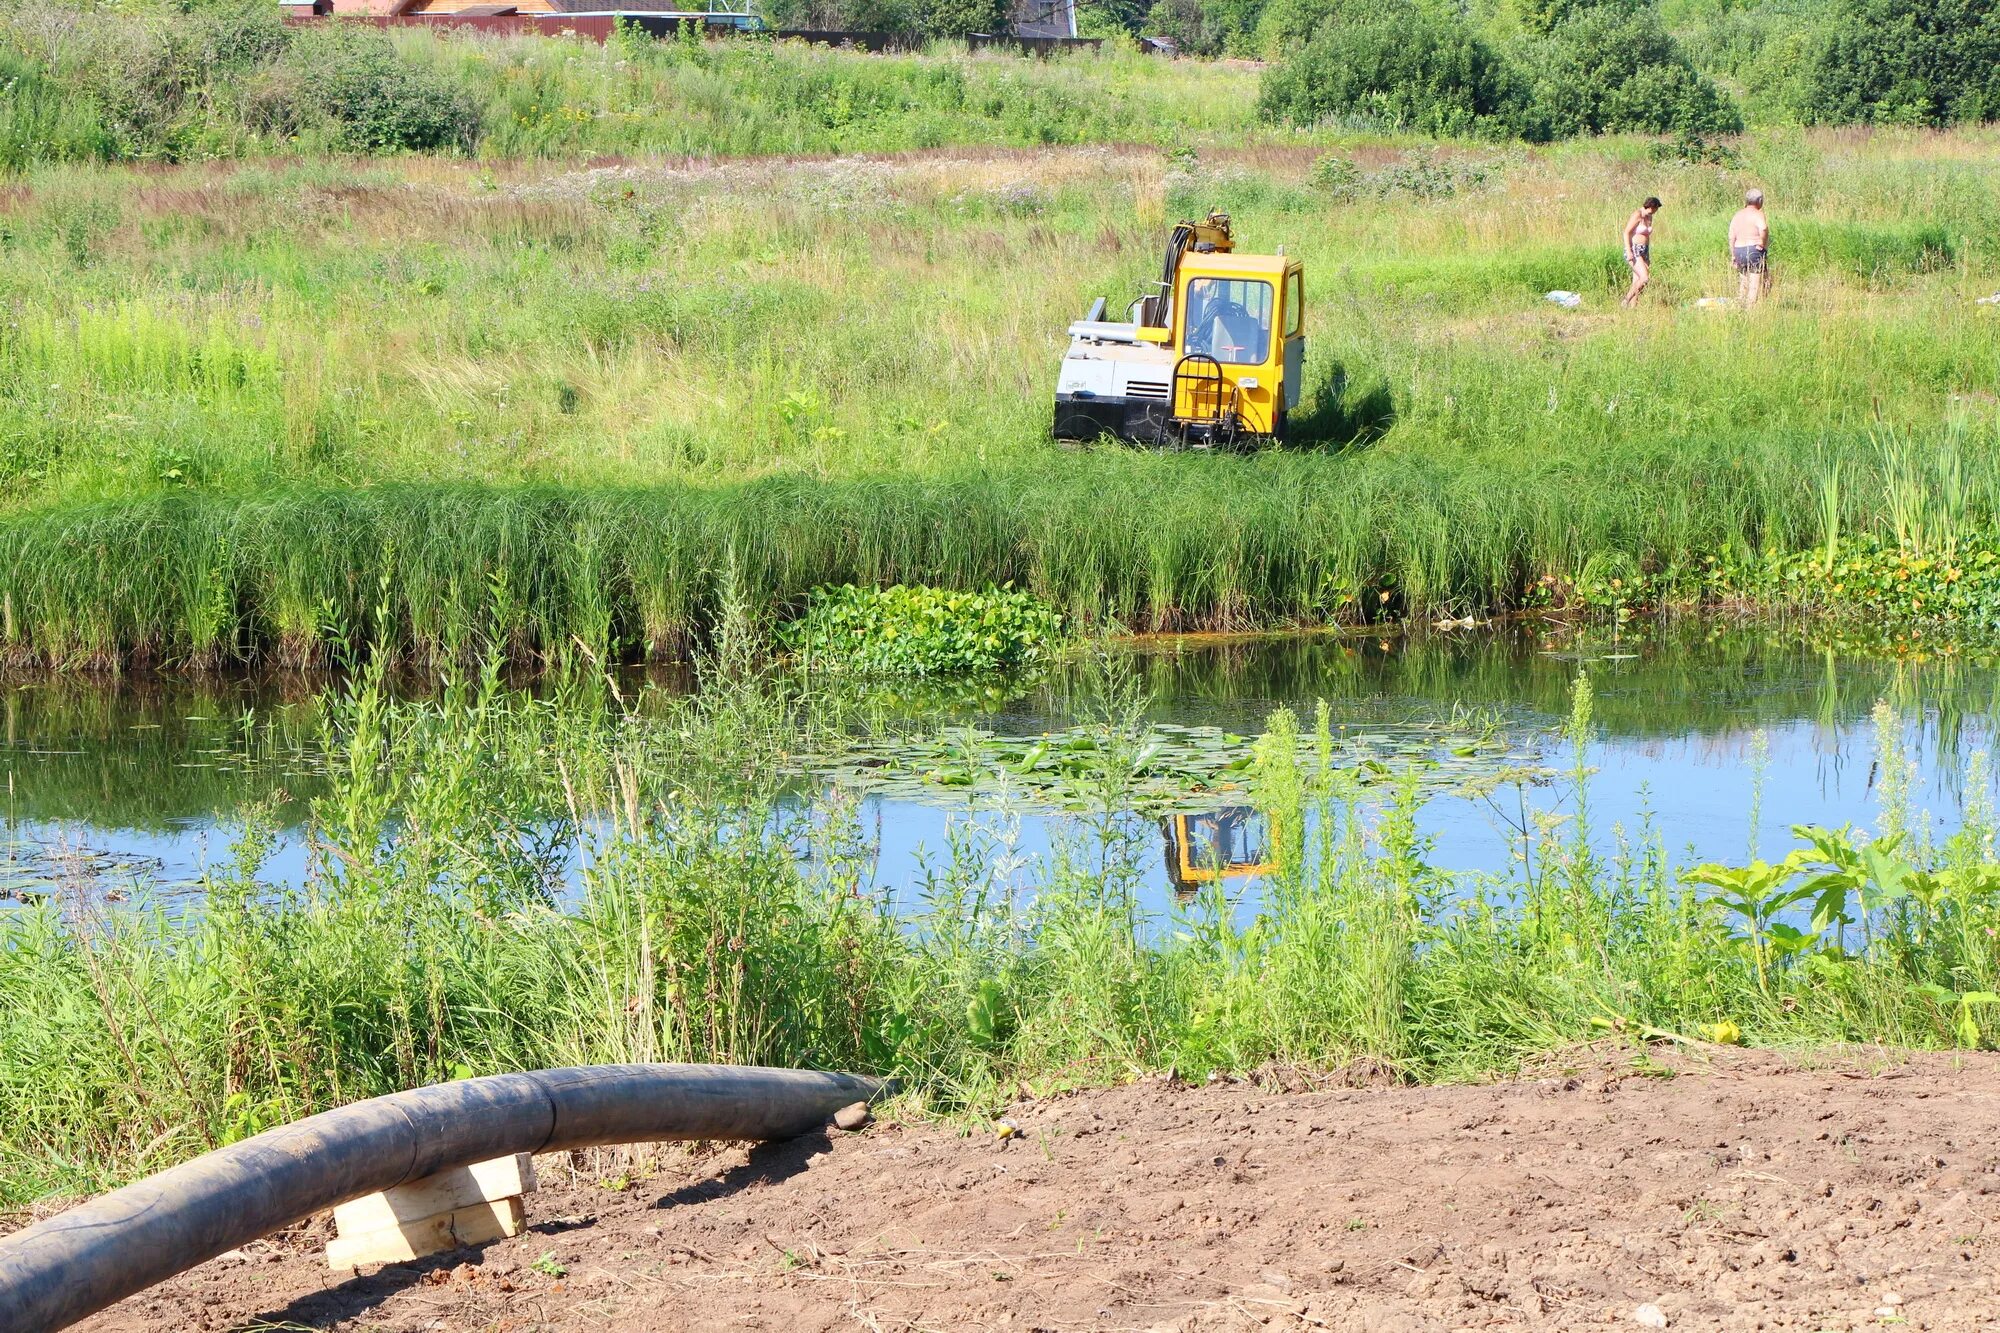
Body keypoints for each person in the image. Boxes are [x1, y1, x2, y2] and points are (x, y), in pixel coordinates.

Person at [1729, 189, 1769, 308]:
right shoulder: (1758, 214)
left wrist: (1733, 255)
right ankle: (1750, 311)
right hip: (1754, 250)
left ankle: (1740, 307)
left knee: (1743, 282)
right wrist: (1762, 242)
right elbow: (1763, 228)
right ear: (1760, 201)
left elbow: (1731, 236)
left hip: (1739, 250)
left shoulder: (1737, 215)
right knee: (1754, 284)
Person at [1622, 196, 1661, 308]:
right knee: (1644, 278)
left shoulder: (1649, 217)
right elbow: (1626, 233)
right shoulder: (1637, 215)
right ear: (1649, 206)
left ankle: (1633, 308)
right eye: (1654, 209)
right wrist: (1629, 251)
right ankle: (1626, 300)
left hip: (1644, 250)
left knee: (1637, 280)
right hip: (1635, 249)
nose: (1655, 211)